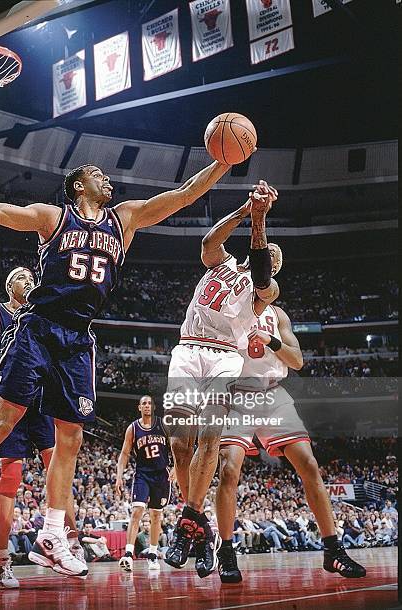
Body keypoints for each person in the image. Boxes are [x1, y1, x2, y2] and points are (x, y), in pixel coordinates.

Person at [0, 147, 238, 579]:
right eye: (98, 174)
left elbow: (183, 194)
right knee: (5, 420)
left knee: (70, 437)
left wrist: (222, 163)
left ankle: (53, 534)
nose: (107, 180)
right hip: (39, 327)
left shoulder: (124, 218)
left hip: (78, 338)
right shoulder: (53, 218)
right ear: (78, 185)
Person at [164, 181, 280, 578]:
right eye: (271, 255)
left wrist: (260, 221)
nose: (272, 260)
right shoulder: (222, 263)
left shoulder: (266, 289)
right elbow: (209, 242)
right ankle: (199, 527)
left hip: (225, 357)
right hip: (188, 347)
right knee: (180, 444)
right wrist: (244, 211)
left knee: (210, 435)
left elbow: (262, 272)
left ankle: (187, 522)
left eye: (274, 258)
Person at [213, 304, 366, 581]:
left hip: (272, 392)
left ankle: (333, 550)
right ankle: (225, 552)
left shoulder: (278, 314)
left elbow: (297, 361)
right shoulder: (228, 311)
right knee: (228, 470)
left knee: (309, 464)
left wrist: (270, 340)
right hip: (236, 395)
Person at [0, 267, 82, 588]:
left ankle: (70, 540)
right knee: (12, 475)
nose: (29, 281)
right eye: (22, 277)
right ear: (10, 286)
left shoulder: (40, 315)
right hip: (11, 397)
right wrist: (1, 371)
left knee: (58, 466)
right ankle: (2, 558)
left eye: (31, 278)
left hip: (40, 399)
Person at [116, 395, 172, 572]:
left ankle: (153, 554)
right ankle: (128, 554)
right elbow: (124, 453)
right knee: (137, 511)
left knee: (156, 515)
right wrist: (119, 476)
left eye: (149, 403)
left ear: (153, 407)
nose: (147, 406)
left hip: (162, 475)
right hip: (143, 475)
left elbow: (176, 448)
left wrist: (177, 468)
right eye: (144, 404)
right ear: (139, 408)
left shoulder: (163, 425)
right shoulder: (133, 428)